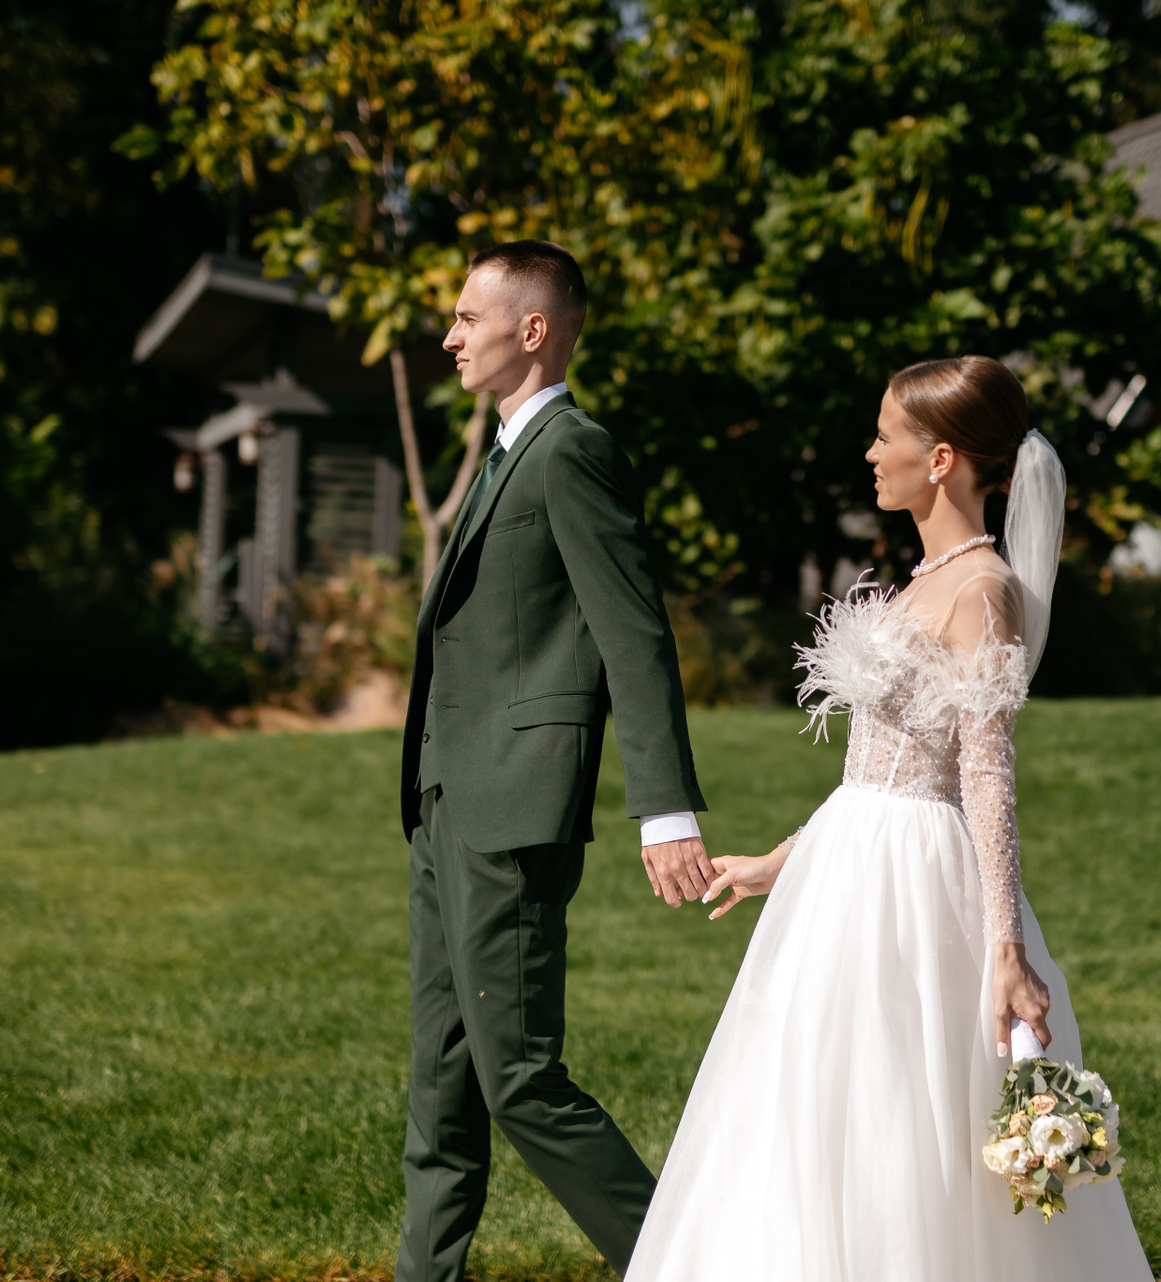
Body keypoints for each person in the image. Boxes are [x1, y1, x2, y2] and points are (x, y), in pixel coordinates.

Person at [625, 356, 1153, 1282]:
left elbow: (983, 773)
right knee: (808, 1102)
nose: (871, 454)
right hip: (847, 872)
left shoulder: (981, 591)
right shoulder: (923, 580)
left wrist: (1005, 948)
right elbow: (879, 770)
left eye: (885, 436)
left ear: (940, 459)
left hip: (917, 891)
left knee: (899, 1106)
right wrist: (782, 862)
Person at [395, 240, 718, 1282]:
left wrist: (664, 808)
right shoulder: (503, 454)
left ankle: (690, 1264)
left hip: (514, 809)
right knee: (441, 1088)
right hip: (446, 805)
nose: (450, 337)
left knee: (520, 1082)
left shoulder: (571, 452)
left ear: (530, 330)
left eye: (466, 317)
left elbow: (633, 632)